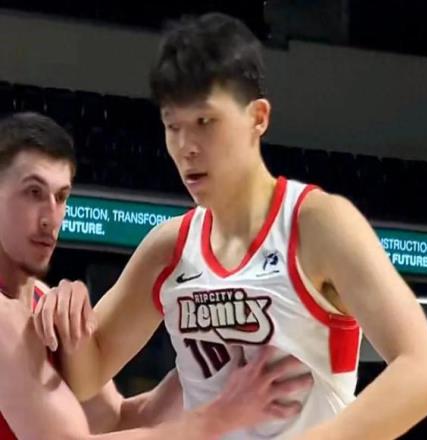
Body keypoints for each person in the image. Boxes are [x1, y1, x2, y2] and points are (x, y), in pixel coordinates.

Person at [35, 12, 427, 439]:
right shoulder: (169, 247)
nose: (186, 147)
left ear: (258, 117)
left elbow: (424, 371)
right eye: (173, 126)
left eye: (204, 122)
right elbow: (87, 376)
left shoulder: (317, 224)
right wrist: (68, 313)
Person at [0, 112, 312, 440]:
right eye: (33, 192)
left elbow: (117, 421)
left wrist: (207, 364)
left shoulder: (42, 301)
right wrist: (217, 417)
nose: (50, 217)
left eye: (61, 196)